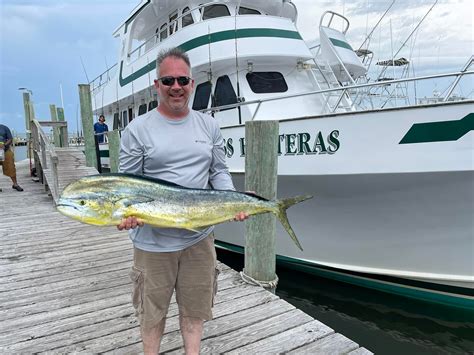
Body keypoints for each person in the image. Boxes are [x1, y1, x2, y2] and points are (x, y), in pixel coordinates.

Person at [118, 47, 248, 355]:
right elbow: (128, 187)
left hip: (198, 238)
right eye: (168, 81)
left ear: (191, 83)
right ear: (157, 85)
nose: (175, 86)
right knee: (152, 316)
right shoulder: (137, 129)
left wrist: (231, 201)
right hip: (153, 245)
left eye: (182, 80)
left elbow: (218, 172)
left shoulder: (209, 125)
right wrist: (127, 215)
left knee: (195, 311)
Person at [0, 124, 23, 192]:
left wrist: (4, 145)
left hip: (5, 150)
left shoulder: (4, 128)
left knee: (11, 167)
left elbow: (10, 138)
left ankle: (15, 184)